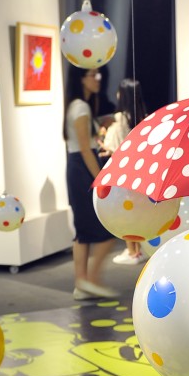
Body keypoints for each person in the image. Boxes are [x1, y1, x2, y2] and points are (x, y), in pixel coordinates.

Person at [64, 64, 118, 299]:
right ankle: (91, 280)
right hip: (83, 169)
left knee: (82, 232)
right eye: (92, 75)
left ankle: (82, 283)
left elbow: (86, 145)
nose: (97, 79)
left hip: (77, 167)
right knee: (106, 231)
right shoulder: (81, 107)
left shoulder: (77, 106)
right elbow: (85, 149)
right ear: (81, 79)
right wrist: (101, 179)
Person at [102, 78, 147, 265]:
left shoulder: (118, 119)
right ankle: (140, 250)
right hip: (142, 172)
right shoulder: (145, 118)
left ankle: (131, 252)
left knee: (125, 212)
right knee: (139, 212)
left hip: (122, 173)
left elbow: (110, 146)